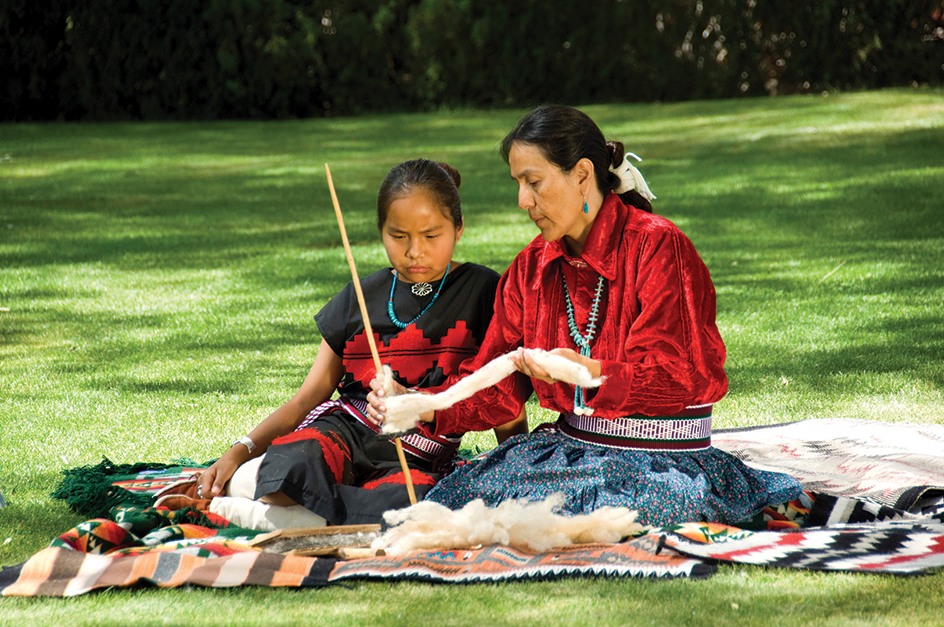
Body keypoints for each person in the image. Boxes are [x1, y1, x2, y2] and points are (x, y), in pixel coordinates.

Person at [369, 106, 801, 527]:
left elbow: (680, 377)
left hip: (664, 460)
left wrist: (594, 372)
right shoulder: (529, 268)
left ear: (582, 175)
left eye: (533, 182)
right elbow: (496, 389)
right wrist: (420, 404)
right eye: (519, 184)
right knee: (461, 499)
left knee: (647, 510)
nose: (523, 200)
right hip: (574, 449)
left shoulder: (657, 247)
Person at [159, 159, 527, 530]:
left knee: (409, 509)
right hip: (344, 432)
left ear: (459, 229)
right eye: (398, 236)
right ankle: (288, 505)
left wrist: (519, 468)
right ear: (381, 230)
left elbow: (503, 397)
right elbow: (308, 398)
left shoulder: (484, 292)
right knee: (287, 473)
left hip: (418, 456)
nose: (415, 251)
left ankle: (248, 513)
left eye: (431, 236)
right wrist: (239, 450)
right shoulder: (359, 296)